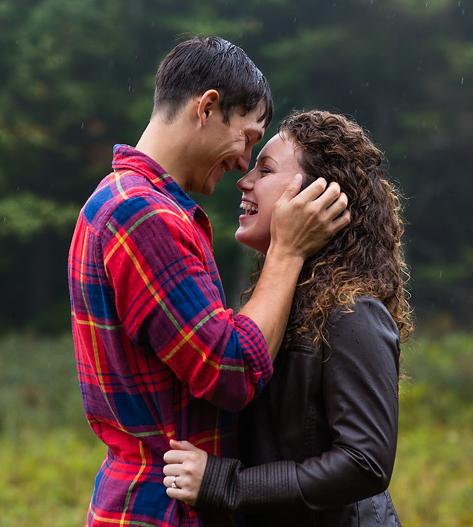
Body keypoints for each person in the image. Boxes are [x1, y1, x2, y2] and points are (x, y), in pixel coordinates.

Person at [68, 37, 350, 527]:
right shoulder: (141, 214)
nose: (243, 162)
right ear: (209, 107)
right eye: (247, 136)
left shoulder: (122, 200)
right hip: (164, 510)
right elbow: (230, 369)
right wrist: (287, 250)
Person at [162, 109, 414, 526]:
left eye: (266, 170)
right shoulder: (284, 302)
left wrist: (228, 485)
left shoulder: (353, 312)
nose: (243, 180)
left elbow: (365, 462)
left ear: (317, 197)